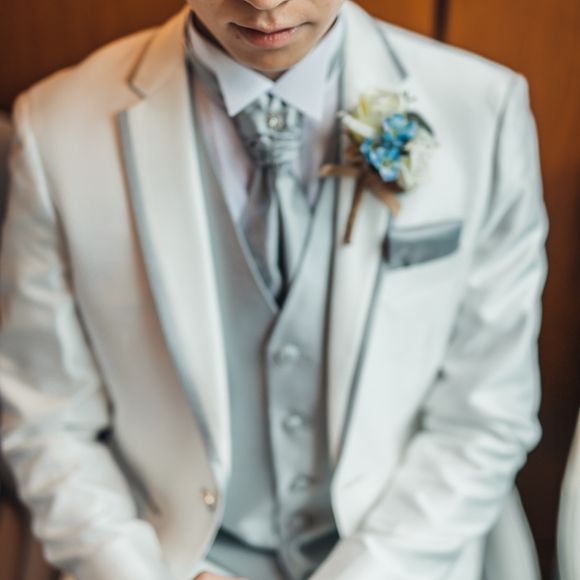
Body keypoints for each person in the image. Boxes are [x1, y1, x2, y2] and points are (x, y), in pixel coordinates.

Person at [0, 1, 548, 579]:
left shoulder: (482, 113)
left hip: (406, 552)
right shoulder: (57, 130)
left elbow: (485, 415)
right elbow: (47, 423)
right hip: (165, 553)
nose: (265, 3)